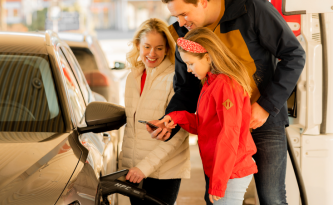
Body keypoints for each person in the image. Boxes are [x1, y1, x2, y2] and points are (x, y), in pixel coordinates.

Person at [146, 0, 306, 204]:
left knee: (272, 198)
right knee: (216, 196)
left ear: (203, 2)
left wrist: (266, 106)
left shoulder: (252, 8)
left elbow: (294, 55)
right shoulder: (184, 32)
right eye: (175, 16)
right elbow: (186, 88)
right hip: (219, 131)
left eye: (184, 14)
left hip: (263, 121)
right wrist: (171, 119)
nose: (180, 22)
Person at [161, 27, 258, 204]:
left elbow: (229, 134)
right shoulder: (211, 83)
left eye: (190, 64)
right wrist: (175, 117)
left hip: (231, 171)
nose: (188, 70)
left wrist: (218, 183)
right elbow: (205, 125)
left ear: (207, 57)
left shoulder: (225, 84)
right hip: (224, 170)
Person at [118, 18, 190, 205]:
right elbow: (131, 126)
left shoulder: (175, 78)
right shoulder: (132, 77)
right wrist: (128, 166)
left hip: (163, 173)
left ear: (167, 48)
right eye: (147, 46)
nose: (152, 53)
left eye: (159, 47)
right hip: (135, 171)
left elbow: (178, 133)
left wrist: (144, 168)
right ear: (137, 45)